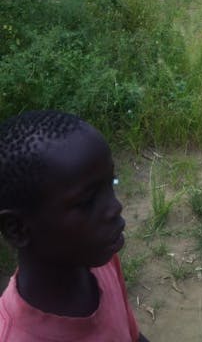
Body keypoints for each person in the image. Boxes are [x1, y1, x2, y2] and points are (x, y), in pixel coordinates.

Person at [0, 110, 150, 342]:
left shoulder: (103, 263)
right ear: (17, 229)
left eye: (112, 182)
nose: (115, 207)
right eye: (87, 202)